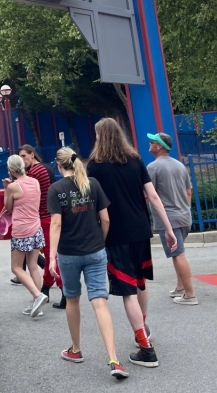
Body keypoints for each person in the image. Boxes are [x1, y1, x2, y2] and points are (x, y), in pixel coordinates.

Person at [86, 118, 178, 369]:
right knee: (140, 283)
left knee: (127, 292)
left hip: (116, 235)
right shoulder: (136, 161)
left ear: (100, 137)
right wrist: (168, 229)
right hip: (140, 230)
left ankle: (146, 348)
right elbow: (153, 196)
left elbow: (93, 204)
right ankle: (143, 328)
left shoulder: (95, 166)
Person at [47, 149, 129, 379]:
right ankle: (114, 359)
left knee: (72, 299)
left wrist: (51, 256)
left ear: (58, 165)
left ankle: (76, 349)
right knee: (100, 302)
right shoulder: (92, 184)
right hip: (95, 250)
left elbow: (56, 224)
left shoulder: (56, 190)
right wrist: (100, 242)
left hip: (69, 253)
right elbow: (106, 218)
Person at [146, 132, 198, 306]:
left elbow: (149, 195)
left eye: (152, 142)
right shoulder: (179, 166)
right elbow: (188, 192)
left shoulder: (153, 168)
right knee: (179, 252)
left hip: (168, 218)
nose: (150, 144)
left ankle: (190, 294)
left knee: (178, 255)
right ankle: (180, 287)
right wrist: (185, 209)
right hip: (184, 216)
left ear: (159, 146)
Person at [3, 155, 49, 317]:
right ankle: (38, 303)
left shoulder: (13, 187)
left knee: (16, 267)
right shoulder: (34, 182)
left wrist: (6, 189)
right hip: (36, 227)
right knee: (33, 266)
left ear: (10, 169)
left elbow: (8, 208)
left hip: (22, 230)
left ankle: (38, 296)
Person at [18, 144, 61, 306]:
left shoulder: (34, 172)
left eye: (24, 156)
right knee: (49, 254)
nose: (22, 160)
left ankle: (57, 290)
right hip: (48, 215)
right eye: (20, 157)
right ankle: (46, 289)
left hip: (42, 217)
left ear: (32, 155)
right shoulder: (46, 169)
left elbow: (26, 197)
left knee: (49, 256)